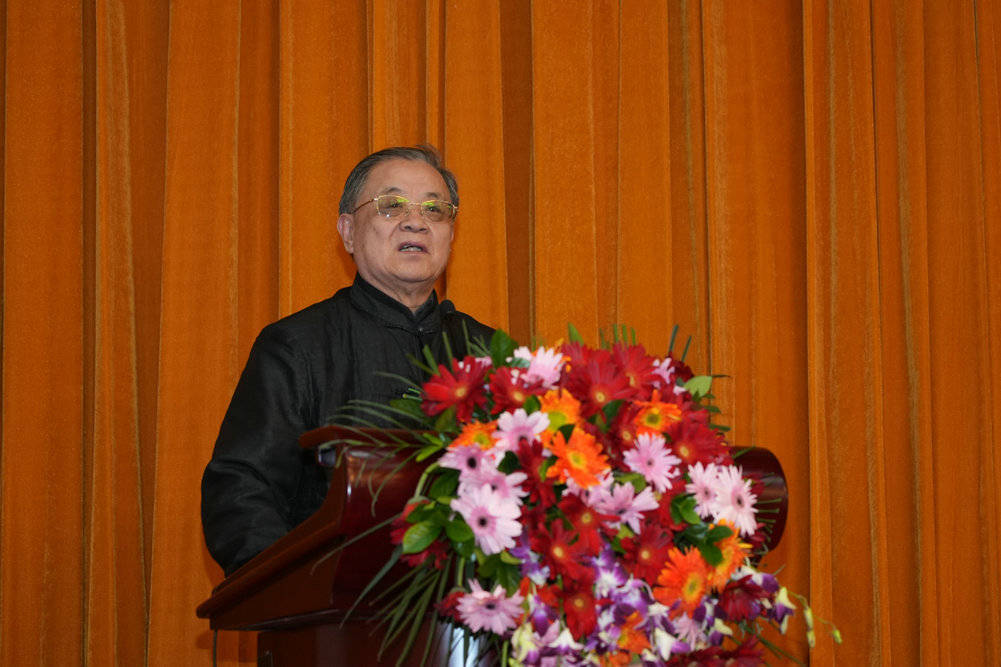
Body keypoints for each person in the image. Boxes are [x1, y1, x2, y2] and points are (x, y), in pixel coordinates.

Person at [201, 145, 493, 576]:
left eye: (435, 209)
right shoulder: (297, 346)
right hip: (334, 606)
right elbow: (241, 492)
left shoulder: (488, 352)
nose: (416, 221)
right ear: (349, 232)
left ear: (451, 234)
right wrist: (301, 587)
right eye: (392, 205)